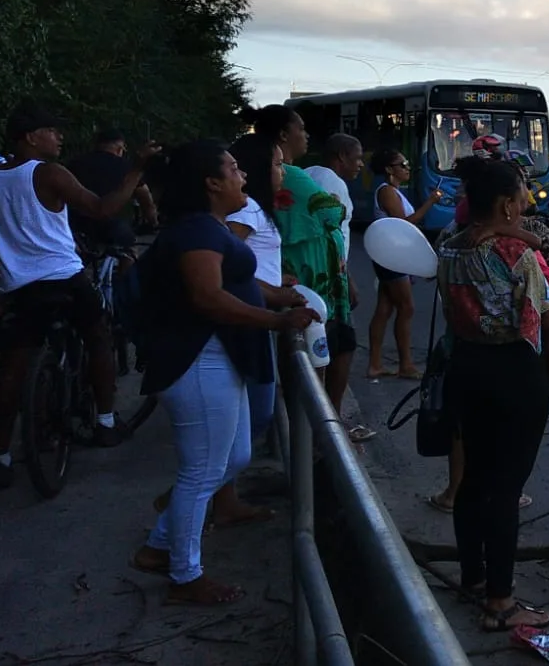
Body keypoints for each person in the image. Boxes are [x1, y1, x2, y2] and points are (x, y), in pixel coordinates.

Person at [128, 140, 319, 605]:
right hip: (198, 360)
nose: (244, 176)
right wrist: (275, 320)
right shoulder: (196, 231)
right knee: (202, 469)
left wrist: (277, 298)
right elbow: (208, 297)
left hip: (219, 358)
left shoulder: (206, 228)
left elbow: (235, 281)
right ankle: (184, 574)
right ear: (211, 183)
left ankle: (158, 546)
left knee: (231, 458)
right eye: (234, 169)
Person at [0, 103, 153, 490]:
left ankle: (1, 458)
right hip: (64, 278)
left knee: (14, 368)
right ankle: (106, 421)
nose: (60, 137)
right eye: (52, 130)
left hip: (19, 287)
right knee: (99, 336)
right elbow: (101, 208)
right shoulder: (49, 173)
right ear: (31, 137)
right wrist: (137, 170)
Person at [437, 155, 549, 632]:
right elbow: (546, 319)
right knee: (505, 489)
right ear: (507, 206)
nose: (526, 201)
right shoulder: (516, 257)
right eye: (521, 197)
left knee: (473, 481)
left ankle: (474, 580)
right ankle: (502, 601)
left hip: (466, 370)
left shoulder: (449, 247)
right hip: (513, 374)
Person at [243, 106, 358, 404]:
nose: (306, 136)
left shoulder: (287, 173)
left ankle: (315, 434)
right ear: (284, 134)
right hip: (312, 279)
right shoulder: (292, 175)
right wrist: (331, 202)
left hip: (305, 275)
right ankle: (320, 433)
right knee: (319, 353)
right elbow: (333, 212)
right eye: (301, 129)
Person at [304, 133, 372, 439]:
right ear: (341, 156)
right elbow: (330, 234)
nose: (360, 165)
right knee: (341, 344)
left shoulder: (309, 175)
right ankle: (331, 422)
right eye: (357, 158)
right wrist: (343, 279)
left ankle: (321, 421)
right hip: (329, 280)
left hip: (318, 275)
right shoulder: (333, 183)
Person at [367, 147, 443, 380]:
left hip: (392, 255)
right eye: (403, 164)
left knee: (385, 308)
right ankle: (406, 365)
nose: (408, 168)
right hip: (393, 257)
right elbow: (405, 223)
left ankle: (375, 364)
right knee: (406, 307)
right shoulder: (388, 192)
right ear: (390, 169)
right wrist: (430, 202)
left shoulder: (394, 191)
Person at [68, 128, 158, 251]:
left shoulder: (74, 164)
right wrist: (153, 222)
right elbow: (146, 199)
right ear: (120, 148)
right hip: (112, 226)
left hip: (75, 225)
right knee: (130, 250)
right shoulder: (128, 168)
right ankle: (126, 269)